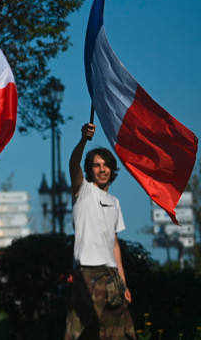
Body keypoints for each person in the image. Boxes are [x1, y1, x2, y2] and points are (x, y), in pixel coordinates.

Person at [65, 123, 135, 339]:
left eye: (105, 165)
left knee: (119, 334)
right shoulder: (83, 191)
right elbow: (73, 163)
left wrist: (123, 283)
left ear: (112, 169)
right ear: (90, 169)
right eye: (96, 165)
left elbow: (114, 244)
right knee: (82, 332)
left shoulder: (115, 202)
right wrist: (83, 139)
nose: (102, 169)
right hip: (87, 272)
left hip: (112, 276)